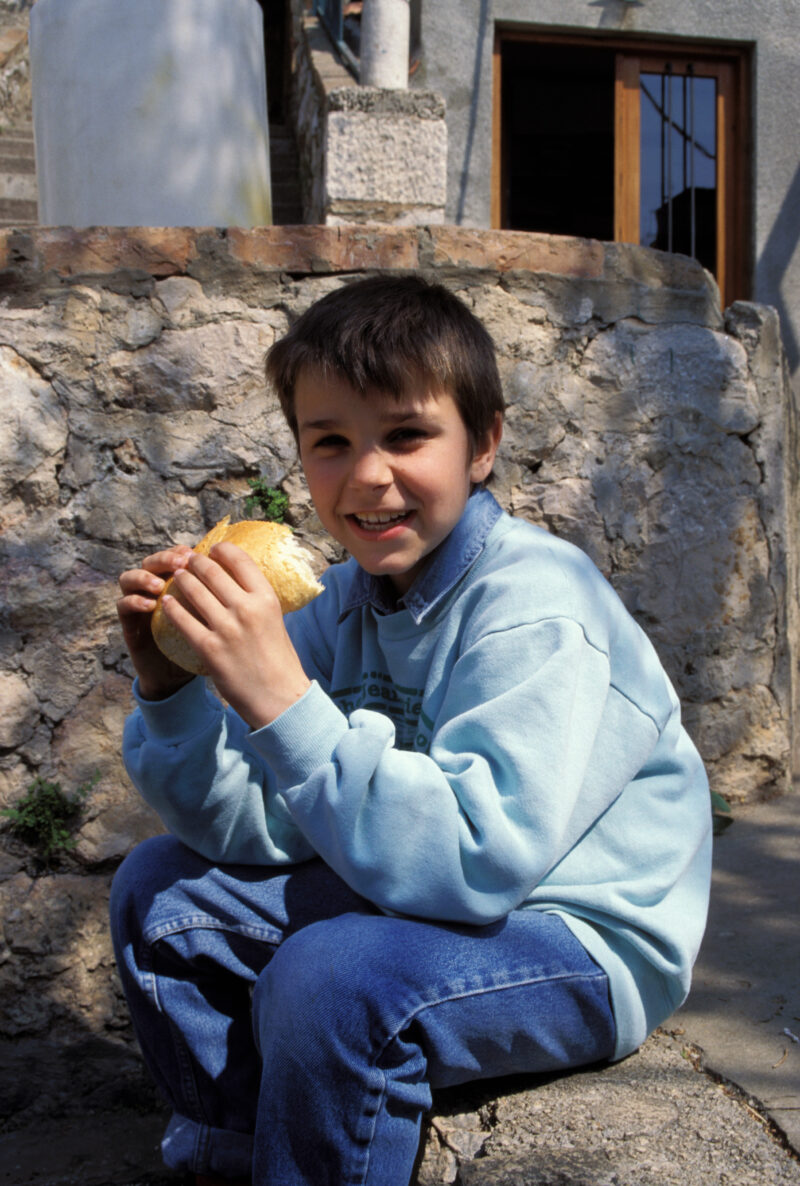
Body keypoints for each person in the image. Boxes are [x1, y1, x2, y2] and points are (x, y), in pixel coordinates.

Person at [111, 274, 712, 1186]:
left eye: (405, 435)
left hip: (576, 934)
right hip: (420, 902)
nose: (367, 475)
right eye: (331, 442)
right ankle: (231, 1154)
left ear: (484, 444)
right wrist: (171, 689)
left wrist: (283, 701)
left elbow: (478, 860)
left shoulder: (540, 604)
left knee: (332, 977)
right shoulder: (336, 605)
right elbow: (260, 826)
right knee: (159, 891)